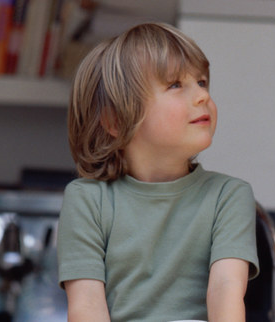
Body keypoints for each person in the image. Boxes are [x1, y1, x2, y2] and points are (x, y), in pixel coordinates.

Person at [57, 22, 258, 322]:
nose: (202, 96)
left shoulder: (229, 197)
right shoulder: (87, 201)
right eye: (176, 85)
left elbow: (226, 292)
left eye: (202, 82)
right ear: (115, 120)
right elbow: (86, 306)